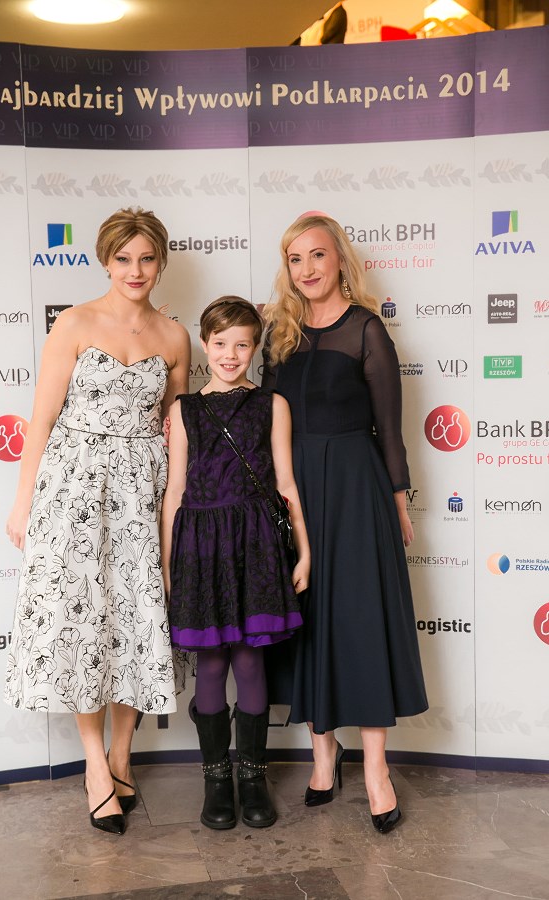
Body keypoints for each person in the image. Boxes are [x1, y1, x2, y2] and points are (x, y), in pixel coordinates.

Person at [4, 207, 190, 835]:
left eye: (146, 258)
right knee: (84, 620)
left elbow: (174, 428)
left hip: (142, 492)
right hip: (74, 488)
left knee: (136, 620)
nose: (135, 271)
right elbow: (42, 418)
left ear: (161, 261)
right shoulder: (74, 323)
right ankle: (93, 765)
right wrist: (24, 502)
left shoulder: (174, 336)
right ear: (105, 261)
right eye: (123, 259)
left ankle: (121, 756)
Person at [262, 213, 428, 834]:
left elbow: (390, 426)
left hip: (358, 490)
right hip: (296, 490)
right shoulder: (278, 334)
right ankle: (323, 759)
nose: (307, 269)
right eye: (295, 259)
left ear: (339, 261)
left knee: (363, 621)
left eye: (317, 255)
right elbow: (264, 421)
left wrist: (398, 501)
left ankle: (378, 771)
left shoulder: (366, 329)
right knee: (309, 621)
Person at [161, 297, 310, 830]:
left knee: (249, 661)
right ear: (204, 345)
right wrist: (169, 566)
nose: (230, 354)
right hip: (201, 547)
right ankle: (216, 781)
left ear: (255, 347)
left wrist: (305, 550)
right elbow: (175, 491)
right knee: (212, 663)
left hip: (255, 546)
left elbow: (286, 484)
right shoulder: (184, 410)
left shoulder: (273, 405)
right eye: (220, 343)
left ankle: (253, 778)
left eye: (242, 344)